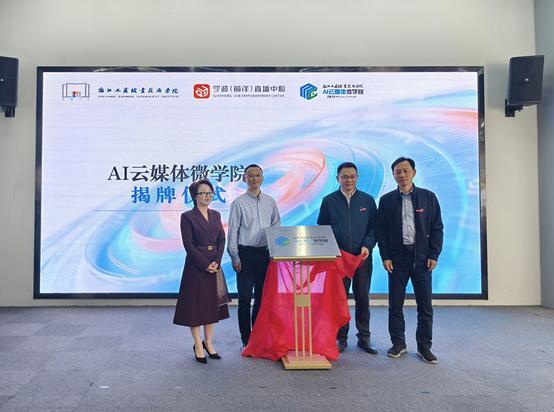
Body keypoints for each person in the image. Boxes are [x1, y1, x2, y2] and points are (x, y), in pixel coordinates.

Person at [375, 157, 443, 364]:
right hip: (397, 259)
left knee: (425, 306)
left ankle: (424, 346)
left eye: (405, 171)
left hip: (422, 259)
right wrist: (385, 256)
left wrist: (434, 255)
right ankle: (398, 343)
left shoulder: (428, 197)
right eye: (398, 172)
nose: (402, 175)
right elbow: (381, 231)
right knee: (395, 305)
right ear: (393, 175)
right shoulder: (386, 200)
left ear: (414, 172)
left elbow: (437, 228)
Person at [317, 161, 378, 354]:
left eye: (352, 176)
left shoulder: (367, 200)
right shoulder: (329, 201)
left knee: (362, 297)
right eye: (344, 177)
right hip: (338, 260)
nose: (348, 180)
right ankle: (340, 337)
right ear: (338, 179)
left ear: (357, 178)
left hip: (362, 258)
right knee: (339, 299)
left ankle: (364, 338)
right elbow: (323, 229)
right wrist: (332, 251)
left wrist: (367, 246)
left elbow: (374, 228)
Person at [173, 179, 229, 364]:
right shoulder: (187, 217)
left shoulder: (216, 215)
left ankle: (208, 343)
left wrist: (217, 262)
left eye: (209, 193)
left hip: (214, 265)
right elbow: (188, 245)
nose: (207, 196)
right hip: (196, 267)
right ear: (194, 196)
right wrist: (205, 264)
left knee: (211, 306)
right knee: (195, 308)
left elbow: (222, 239)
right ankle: (198, 344)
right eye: (203, 193)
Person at [227, 164, 281, 347]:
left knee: (262, 297)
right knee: (244, 298)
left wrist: (276, 252)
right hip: (245, 255)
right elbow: (233, 231)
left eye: (258, 175)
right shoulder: (238, 203)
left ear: (262, 178)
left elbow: (276, 226)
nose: (254, 178)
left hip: (265, 254)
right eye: (250, 175)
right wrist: (234, 256)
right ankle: (246, 338)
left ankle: (258, 335)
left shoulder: (270, 202)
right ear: (244, 178)